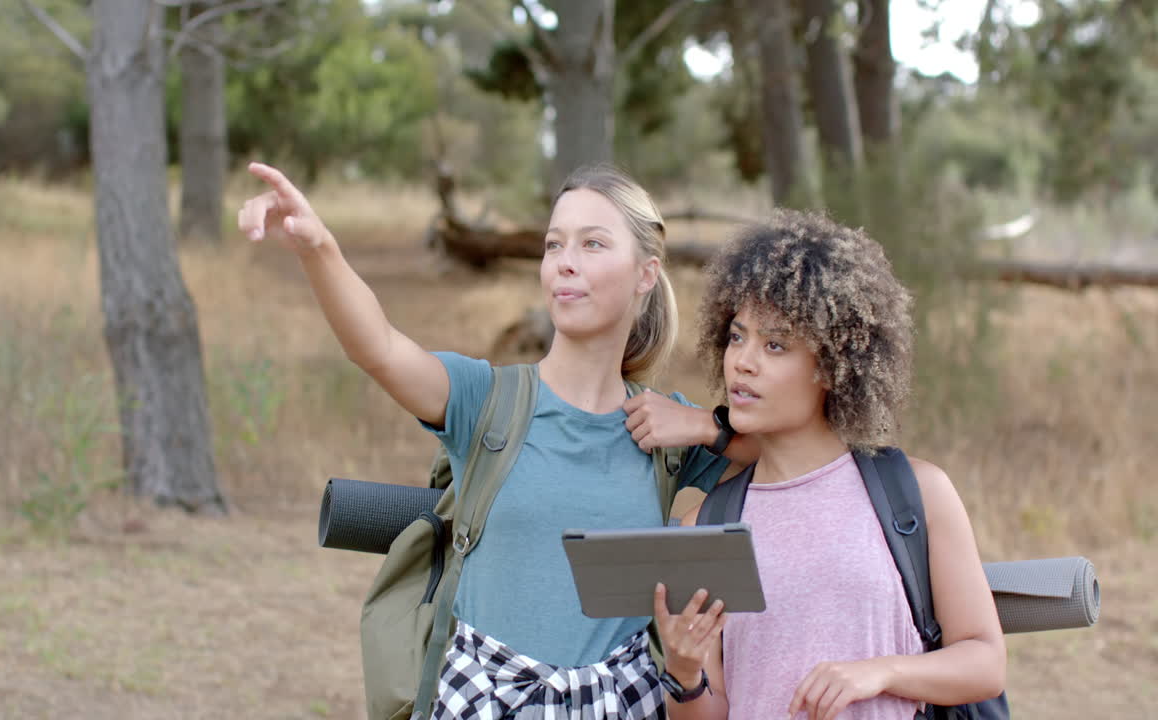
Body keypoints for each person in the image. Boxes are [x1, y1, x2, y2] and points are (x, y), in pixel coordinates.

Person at [237, 162, 749, 718]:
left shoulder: (666, 430)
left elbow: (786, 453)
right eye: (554, 245)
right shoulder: (488, 399)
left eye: (593, 244)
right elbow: (378, 348)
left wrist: (707, 426)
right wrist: (319, 249)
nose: (565, 262)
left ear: (645, 275)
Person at [653, 210, 1006, 720]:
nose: (743, 362)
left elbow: (986, 662)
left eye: (775, 345)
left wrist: (881, 671)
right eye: (737, 336)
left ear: (832, 364)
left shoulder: (915, 494)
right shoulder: (704, 526)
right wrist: (685, 675)